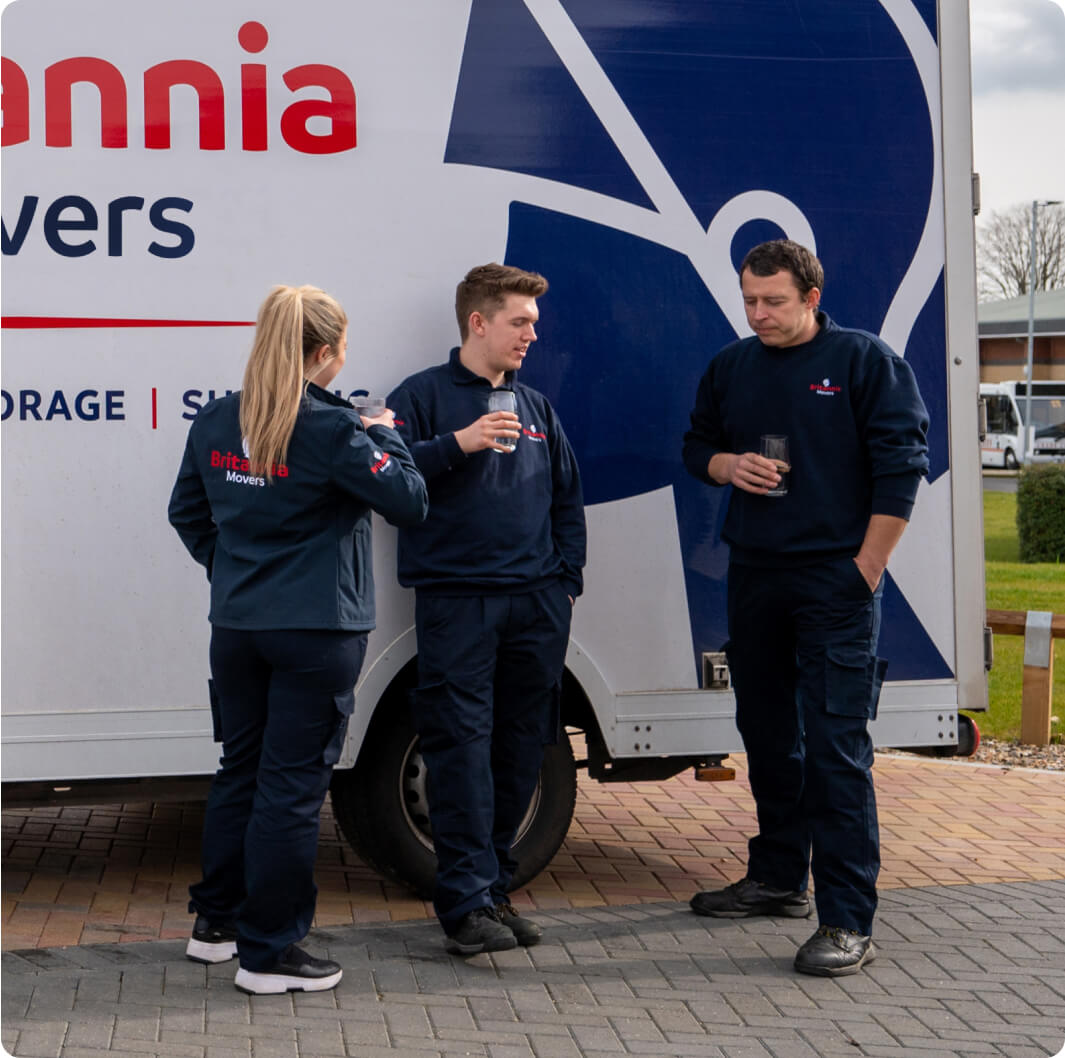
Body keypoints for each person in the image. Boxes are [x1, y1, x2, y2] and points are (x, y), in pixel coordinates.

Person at [168, 285, 428, 994]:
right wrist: (384, 432)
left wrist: (232, 574)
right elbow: (410, 500)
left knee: (241, 772)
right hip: (316, 631)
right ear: (323, 353)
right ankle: (270, 953)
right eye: (342, 349)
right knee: (288, 789)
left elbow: (187, 513)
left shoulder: (220, 419)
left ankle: (216, 928)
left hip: (239, 627)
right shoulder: (333, 429)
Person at [681, 240, 929, 977]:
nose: (757, 313)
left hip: (835, 583)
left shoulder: (864, 361)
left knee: (833, 747)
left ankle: (848, 920)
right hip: (753, 571)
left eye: (773, 301)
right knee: (764, 733)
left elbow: (901, 467)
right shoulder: (732, 365)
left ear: (810, 297)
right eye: (748, 299)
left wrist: (864, 570)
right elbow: (697, 445)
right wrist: (728, 465)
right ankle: (777, 876)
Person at [387, 263, 586, 956]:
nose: (533, 334)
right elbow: (386, 476)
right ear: (478, 322)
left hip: (535, 606)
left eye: (534, 322)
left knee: (519, 748)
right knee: (459, 750)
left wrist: (566, 581)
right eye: (520, 321)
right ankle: (464, 904)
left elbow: (567, 496)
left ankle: (494, 892)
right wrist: (458, 444)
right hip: (458, 602)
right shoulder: (421, 396)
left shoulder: (534, 406)